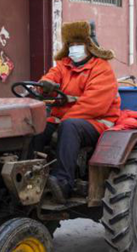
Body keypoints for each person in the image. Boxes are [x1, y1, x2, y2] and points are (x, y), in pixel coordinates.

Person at [32, 21, 120, 203]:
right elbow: (51, 76)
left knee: (69, 127)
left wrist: (62, 120)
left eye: (78, 44)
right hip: (67, 119)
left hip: (97, 121)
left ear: (90, 46)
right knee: (37, 127)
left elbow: (93, 105)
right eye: (71, 45)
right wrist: (45, 85)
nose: (74, 49)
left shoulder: (101, 69)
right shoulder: (63, 65)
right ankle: (30, 175)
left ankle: (63, 182)